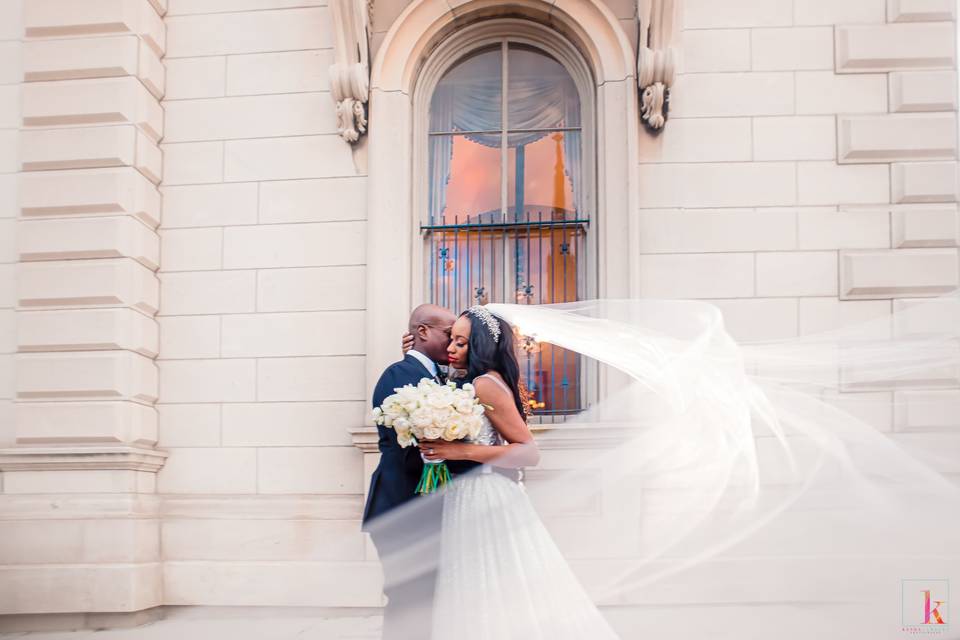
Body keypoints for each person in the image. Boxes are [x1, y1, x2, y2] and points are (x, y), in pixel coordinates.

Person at [412, 305, 621, 639]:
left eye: (462, 343)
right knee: (475, 586)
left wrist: (461, 451)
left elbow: (528, 451)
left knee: (492, 585)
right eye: (451, 339)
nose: (451, 348)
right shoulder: (467, 381)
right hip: (465, 495)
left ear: (481, 347)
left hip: (486, 496)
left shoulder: (485, 384)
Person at [362, 303, 460, 640]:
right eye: (449, 335)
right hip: (401, 509)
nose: (452, 344)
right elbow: (410, 449)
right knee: (408, 601)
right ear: (422, 332)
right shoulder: (398, 376)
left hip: (422, 509)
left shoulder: (438, 377)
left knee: (427, 600)